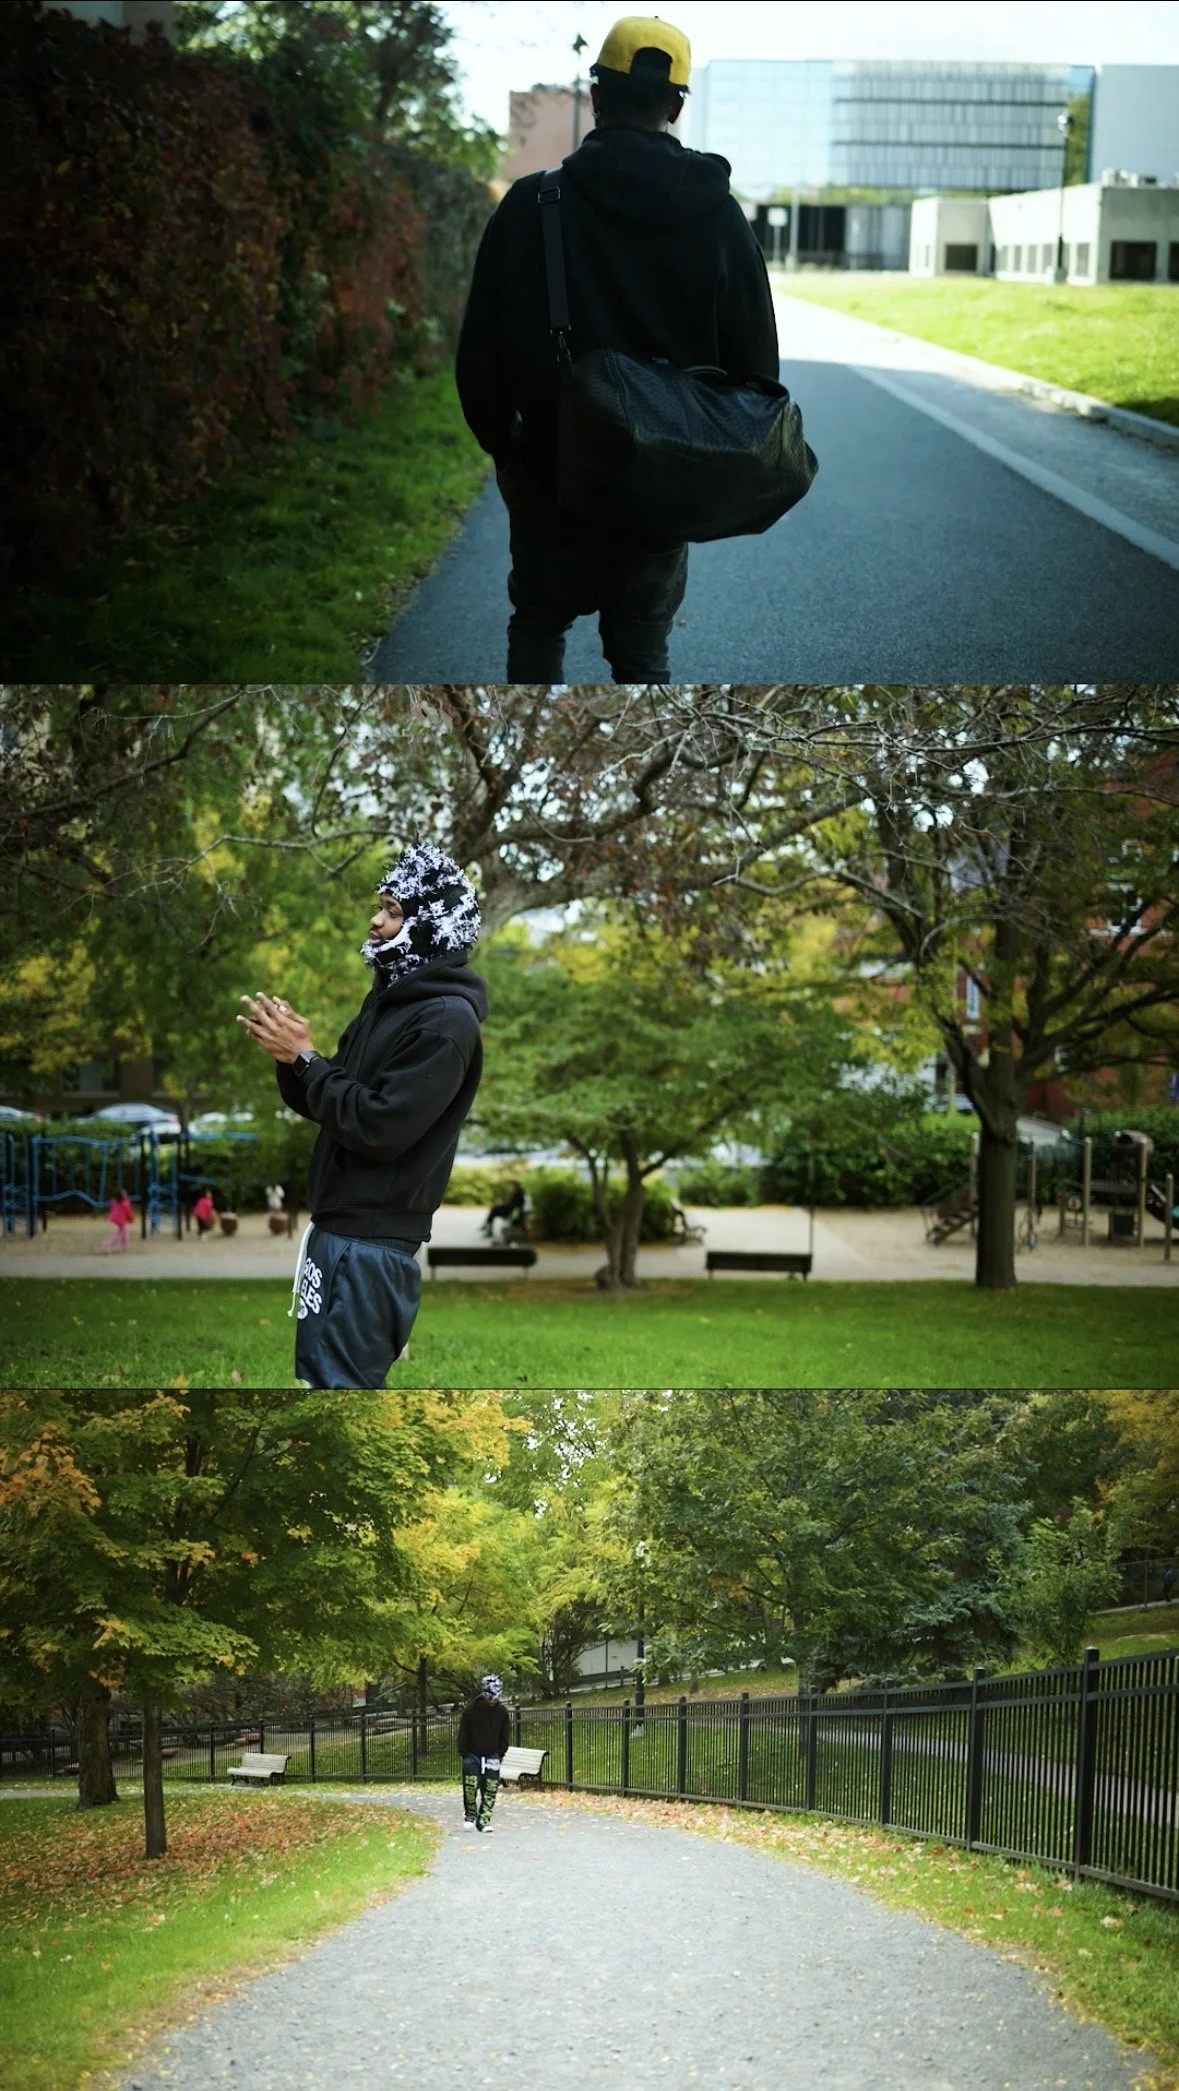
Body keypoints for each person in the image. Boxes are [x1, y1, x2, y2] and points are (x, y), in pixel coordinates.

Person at [455, 13, 779, 682]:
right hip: (664, 489)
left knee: (538, 626)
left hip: (550, 476)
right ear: (676, 106)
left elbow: (477, 357)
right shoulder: (719, 216)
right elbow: (757, 375)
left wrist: (508, 456)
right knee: (641, 655)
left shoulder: (529, 204)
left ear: (596, 94)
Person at [237, 843, 486, 1390]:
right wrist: (293, 1059)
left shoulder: (447, 1022)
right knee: (318, 1386)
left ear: (431, 926)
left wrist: (307, 1060)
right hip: (339, 1234)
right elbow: (331, 1104)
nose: (376, 920)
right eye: (380, 906)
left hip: (369, 1248)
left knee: (340, 1396)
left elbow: (380, 1128)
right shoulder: (387, 1005)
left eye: (394, 910)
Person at [457, 1674, 511, 1834]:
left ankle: (484, 1820)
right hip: (472, 1755)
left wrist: (501, 1752)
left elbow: (505, 1735)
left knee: (491, 1787)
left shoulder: (502, 1712)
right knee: (471, 1786)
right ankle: (470, 1816)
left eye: (496, 1697)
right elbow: (463, 1733)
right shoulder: (470, 1711)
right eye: (491, 1697)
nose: (494, 1700)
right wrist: (464, 1753)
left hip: (493, 1754)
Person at [101, 1186, 135, 1253]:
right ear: (122, 1196)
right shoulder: (125, 1203)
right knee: (121, 1234)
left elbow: (113, 1209)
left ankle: (125, 1245)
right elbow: (128, 1212)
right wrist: (131, 1218)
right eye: (124, 1193)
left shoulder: (115, 1201)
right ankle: (107, 1244)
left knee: (124, 1232)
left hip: (116, 1219)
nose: (126, 1194)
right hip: (120, 1220)